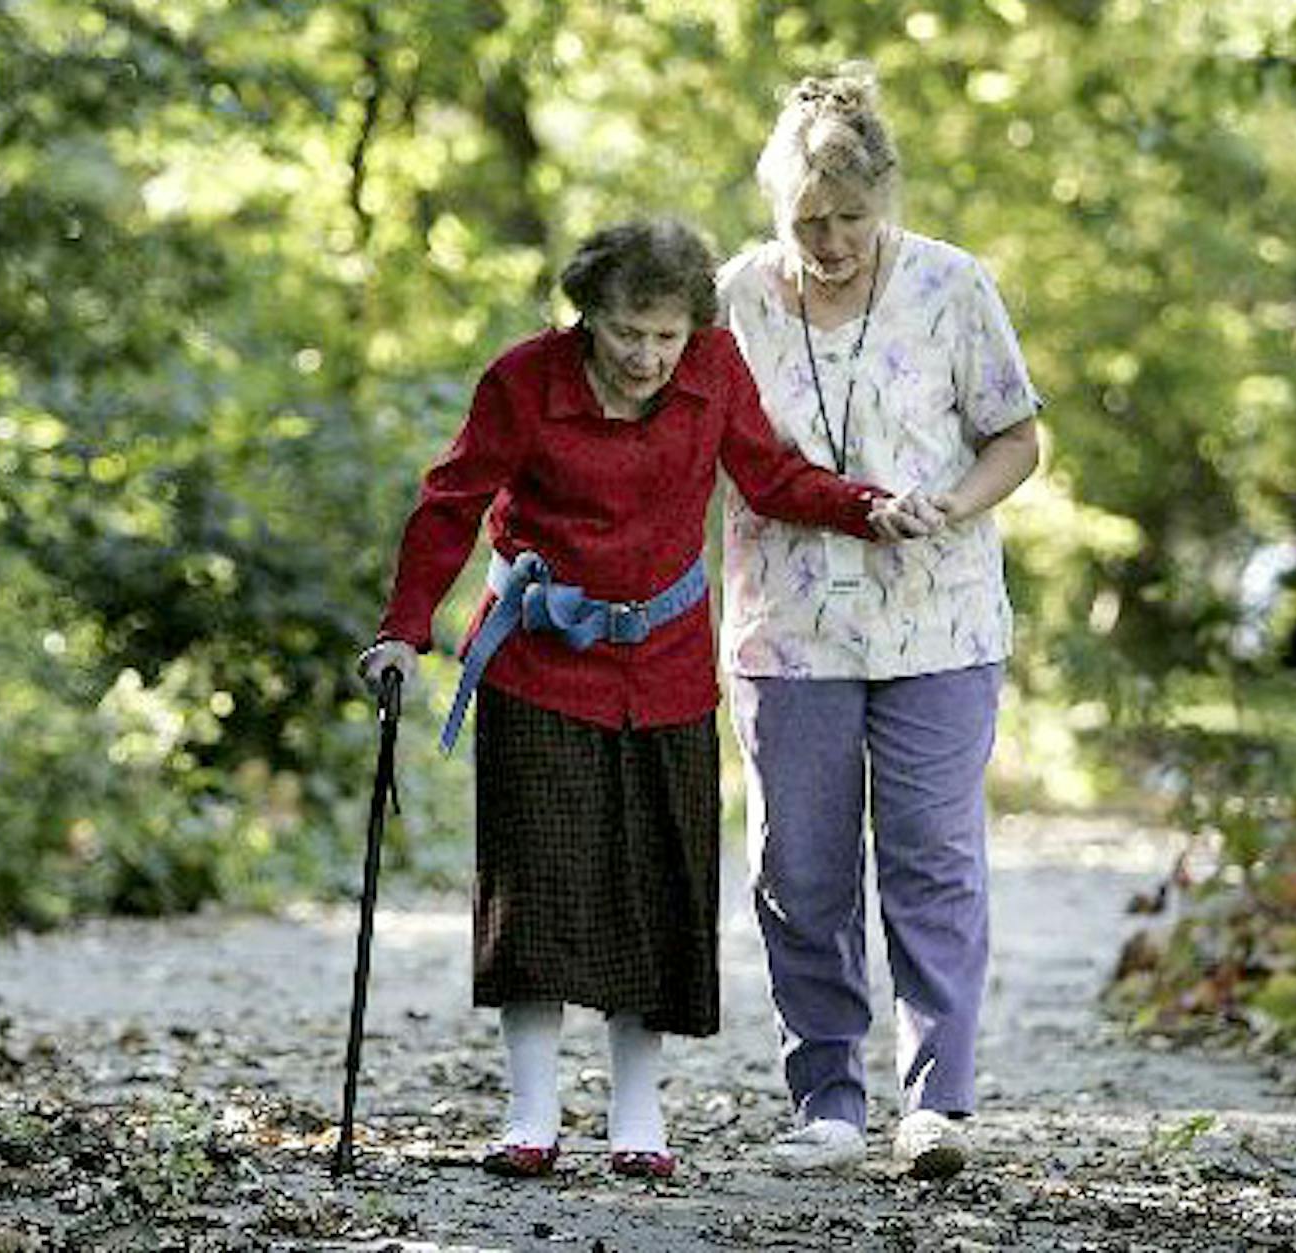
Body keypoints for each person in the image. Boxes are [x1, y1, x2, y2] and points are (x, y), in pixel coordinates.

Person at [357, 218, 911, 1181]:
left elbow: (770, 477)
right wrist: (405, 629)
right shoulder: (524, 381)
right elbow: (451, 503)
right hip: (539, 660)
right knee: (535, 887)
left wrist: (864, 506)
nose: (651, 355)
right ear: (588, 317)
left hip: (663, 666)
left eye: (667, 335)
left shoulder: (713, 370)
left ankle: (636, 1113)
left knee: (655, 886)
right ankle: (530, 1113)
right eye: (629, 333)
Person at [716, 66, 1043, 1179]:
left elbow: (1015, 435)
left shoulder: (954, 285)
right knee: (798, 868)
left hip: (939, 621)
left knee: (931, 857)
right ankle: (828, 1102)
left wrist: (954, 502)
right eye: (810, 220)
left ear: (884, 200)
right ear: (776, 212)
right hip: (787, 628)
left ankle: (936, 1101)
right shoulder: (735, 300)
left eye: (853, 216)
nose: (833, 241)